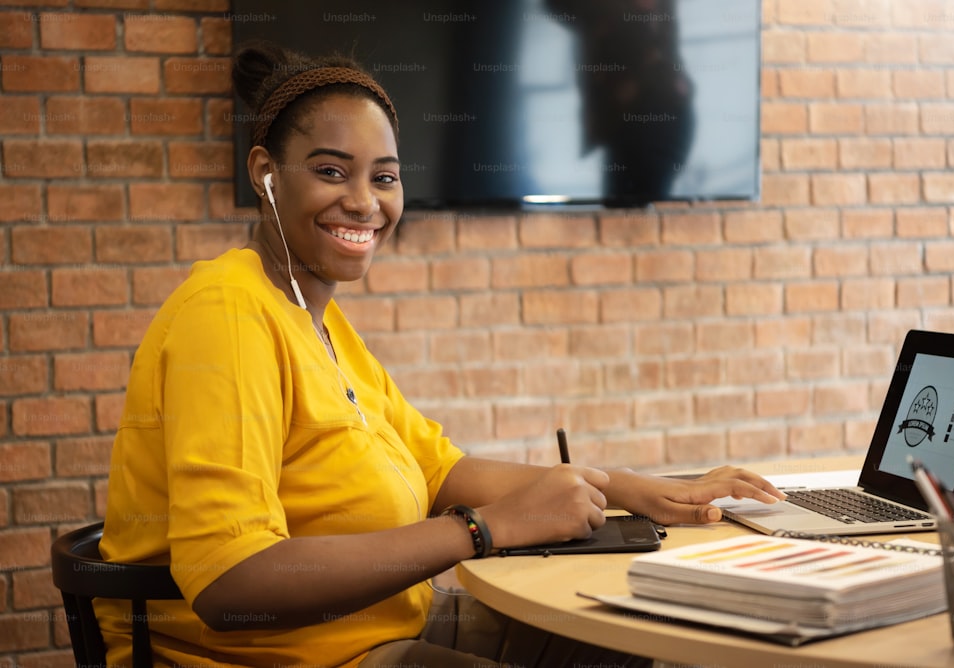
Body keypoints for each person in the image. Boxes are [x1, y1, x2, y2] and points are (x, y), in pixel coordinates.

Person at [97, 41, 785, 668]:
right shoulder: (226, 314)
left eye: (385, 177)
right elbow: (229, 579)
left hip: (376, 630)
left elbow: (440, 469)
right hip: (282, 660)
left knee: (625, 631)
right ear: (266, 175)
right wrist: (481, 533)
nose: (364, 202)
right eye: (332, 171)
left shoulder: (321, 324)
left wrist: (628, 487)